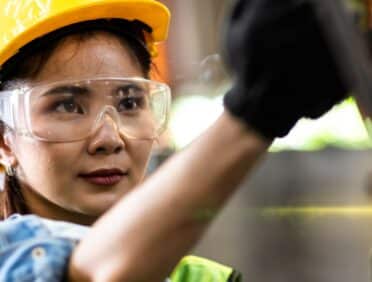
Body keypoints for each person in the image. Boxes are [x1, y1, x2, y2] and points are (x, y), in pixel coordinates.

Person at [0, 0, 354, 281]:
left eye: (129, 102)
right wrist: (256, 111)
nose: (109, 138)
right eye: (67, 106)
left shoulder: (205, 278)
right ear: (4, 140)